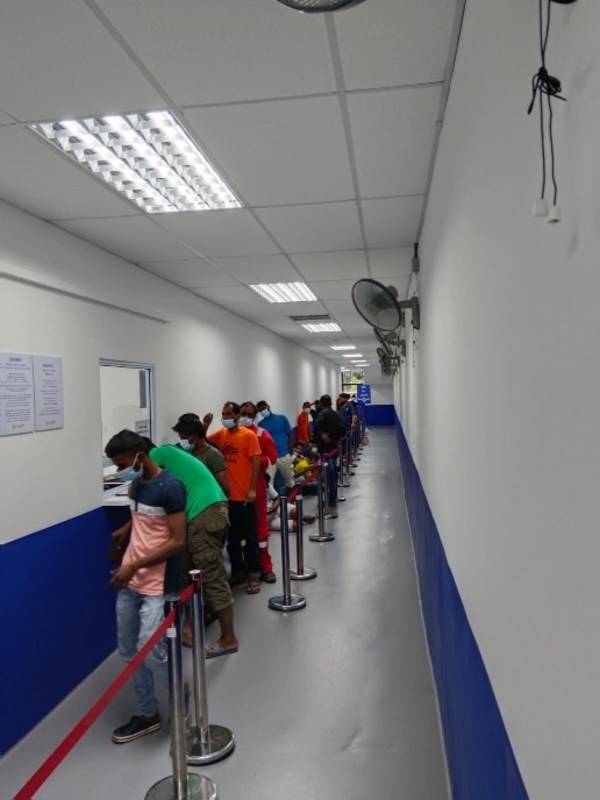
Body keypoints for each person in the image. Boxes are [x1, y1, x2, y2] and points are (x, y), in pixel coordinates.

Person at [104, 430, 186, 744]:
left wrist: (135, 565)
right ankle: (148, 713)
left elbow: (177, 540)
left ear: (141, 454)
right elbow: (141, 519)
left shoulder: (171, 487)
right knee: (128, 652)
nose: (121, 469)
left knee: (151, 652)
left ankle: (180, 695)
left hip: (157, 583)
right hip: (131, 581)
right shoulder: (136, 484)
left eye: (123, 463)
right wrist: (122, 533)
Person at [148, 443, 238, 658]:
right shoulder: (171, 453)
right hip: (205, 511)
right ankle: (188, 627)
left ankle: (228, 639)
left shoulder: (155, 455)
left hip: (204, 514)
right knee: (186, 571)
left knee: (211, 575)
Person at [205, 402, 262, 594]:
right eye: (223, 414)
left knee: (251, 539)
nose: (225, 417)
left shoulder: (249, 436)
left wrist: (252, 489)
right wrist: (205, 425)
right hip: (227, 499)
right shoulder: (221, 435)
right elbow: (202, 443)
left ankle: (254, 575)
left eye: (229, 413)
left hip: (244, 497)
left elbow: (256, 463)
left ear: (237, 415)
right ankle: (238, 573)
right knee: (232, 540)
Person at [239, 401, 278, 583]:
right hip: (236, 491)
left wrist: (254, 460)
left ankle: (266, 566)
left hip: (258, 488)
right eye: (242, 413)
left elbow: (271, 459)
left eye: (249, 414)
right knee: (241, 532)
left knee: (261, 530)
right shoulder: (229, 435)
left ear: (254, 416)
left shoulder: (262, 434)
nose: (245, 417)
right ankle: (246, 566)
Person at [172, 414, 230, 497]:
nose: (182, 441)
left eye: (184, 438)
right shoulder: (180, 451)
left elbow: (225, 488)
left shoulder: (214, 456)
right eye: (180, 438)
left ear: (195, 436)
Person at [255, 400, 295, 492]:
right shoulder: (260, 425)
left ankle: (293, 502)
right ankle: (272, 504)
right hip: (270, 459)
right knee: (269, 483)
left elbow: (290, 435)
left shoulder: (282, 418)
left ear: (268, 407)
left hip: (284, 455)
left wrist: (290, 452)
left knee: (290, 481)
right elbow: (260, 441)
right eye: (260, 411)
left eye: (263, 408)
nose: (262, 411)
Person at [312, 394, 343, 508]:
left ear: (321, 403)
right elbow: (341, 429)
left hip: (325, 449)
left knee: (329, 473)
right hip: (334, 447)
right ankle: (333, 498)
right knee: (333, 472)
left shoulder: (323, 413)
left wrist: (322, 434)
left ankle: (330, 500)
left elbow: (315, 426)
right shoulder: (336, 414)